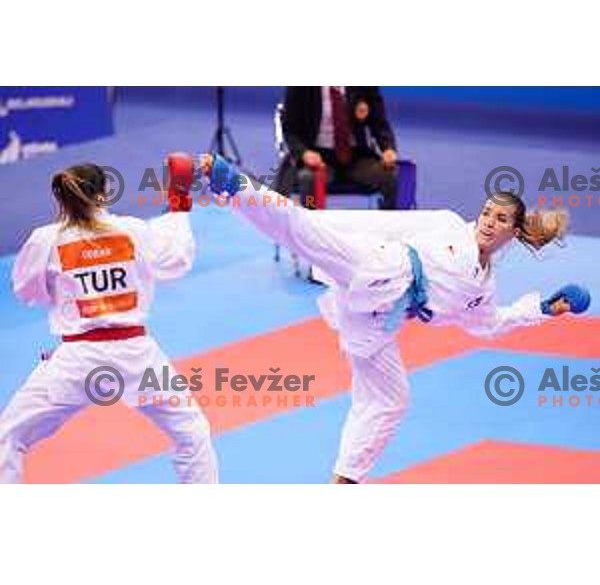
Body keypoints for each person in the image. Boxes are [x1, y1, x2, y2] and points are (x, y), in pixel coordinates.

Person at [202, 153, 590, 484]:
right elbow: (388, 224)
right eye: (487, 213)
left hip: (377, 320)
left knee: (391, 400)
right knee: (302, 231)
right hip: (379, 266)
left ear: (515, 231)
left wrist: (542, 309)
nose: (489, 222)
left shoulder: (482, 290)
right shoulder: (449, 224)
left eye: (501, 219)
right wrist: (329, 224)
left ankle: (344, 480)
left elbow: (489, 324)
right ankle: (230, 183)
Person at [0, 158, 218, 484]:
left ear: (61, 199)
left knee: (9, 436)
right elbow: (176, 260)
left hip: (76, 361)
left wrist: (66, 294)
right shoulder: (132, 230)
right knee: (193, 433)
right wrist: (179, 201)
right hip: (137, 357)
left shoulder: (46, 239)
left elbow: (28, 292)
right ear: (104, 194)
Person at [276, 86, 399, 209]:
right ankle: (309, 222)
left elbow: (379, 121)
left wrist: (388, 148)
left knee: (391, 176)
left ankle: (387, 222)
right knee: (309, 179)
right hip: (318, 156)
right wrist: (304, 153)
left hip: (355, 156)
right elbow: (289, 129)